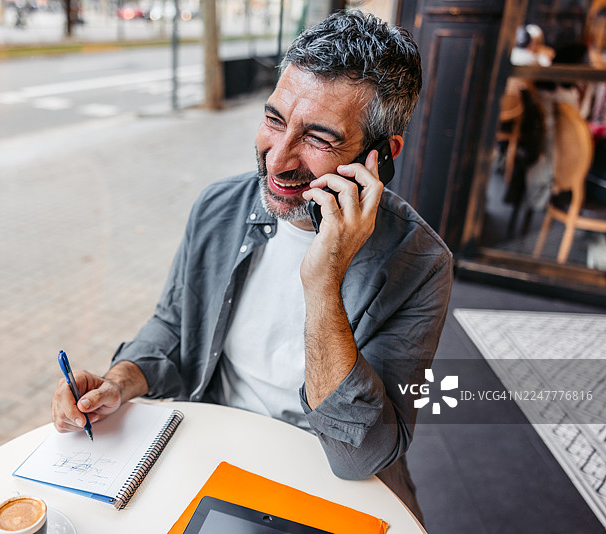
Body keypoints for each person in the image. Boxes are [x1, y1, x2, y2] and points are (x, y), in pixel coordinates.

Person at [51, 10, 452, 522]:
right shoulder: (219, 206)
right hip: (212, 450)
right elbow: (174, 325)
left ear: (382, 156)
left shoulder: (421, 264)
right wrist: (122, 379)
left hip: (328, 481)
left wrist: (323, 279)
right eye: (274, 119)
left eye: (319, 138)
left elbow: (360, 454)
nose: (276, 159)